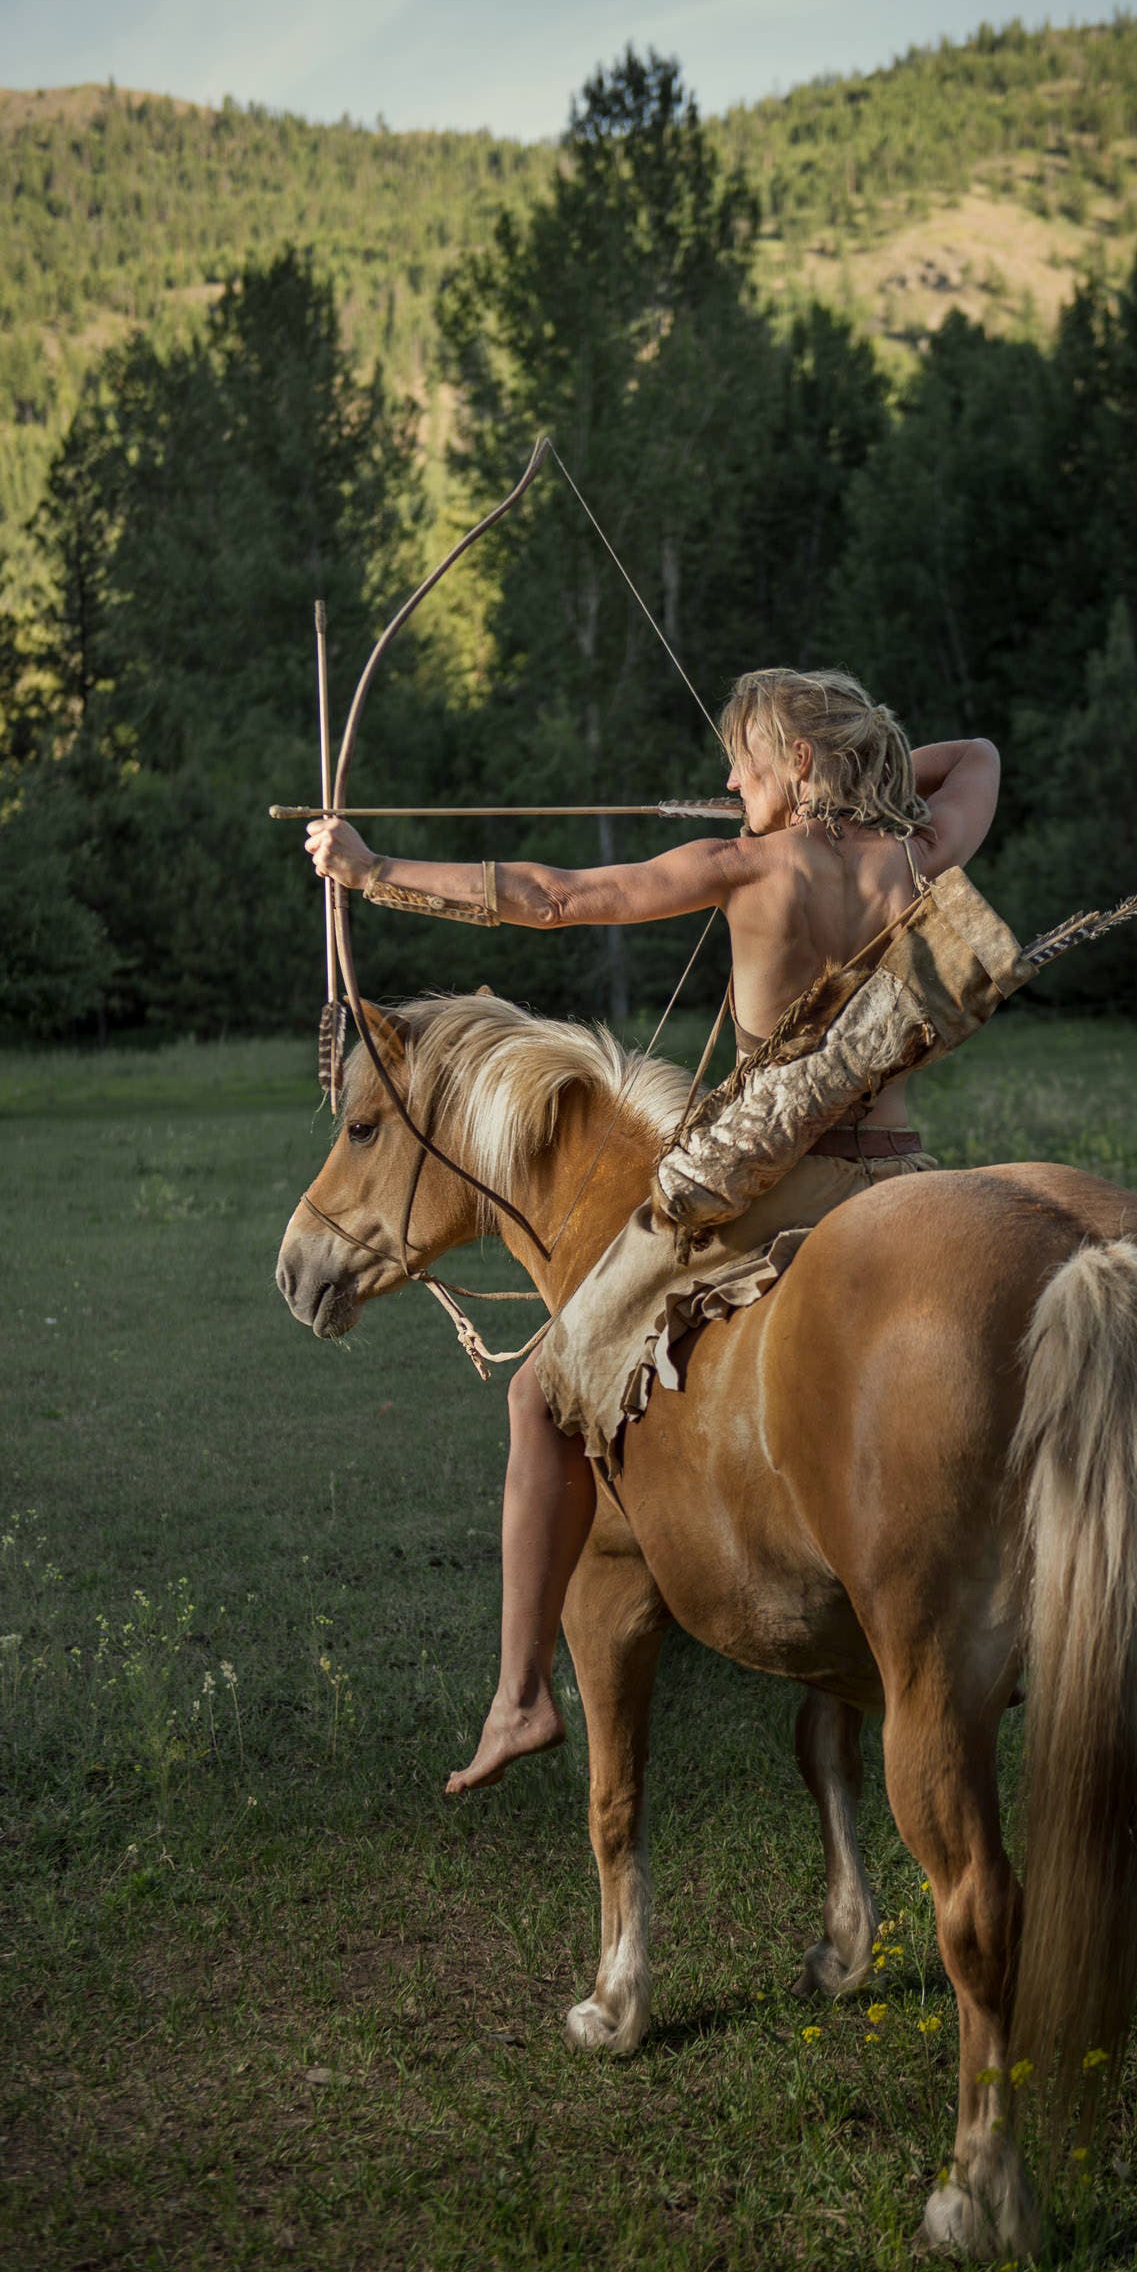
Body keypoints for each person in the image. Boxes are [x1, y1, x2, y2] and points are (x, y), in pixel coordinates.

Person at [306, 669, 999, 1791]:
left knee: (539, 1398)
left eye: (746, 761)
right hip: (903, 1178)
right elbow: (975, 757)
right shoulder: (918, 855)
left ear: (800, 762)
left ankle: (521, 1696)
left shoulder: (744, 867)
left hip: (775, 1190)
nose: (728, 780)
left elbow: (554, 897)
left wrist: (374, 871)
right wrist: (861, 779)